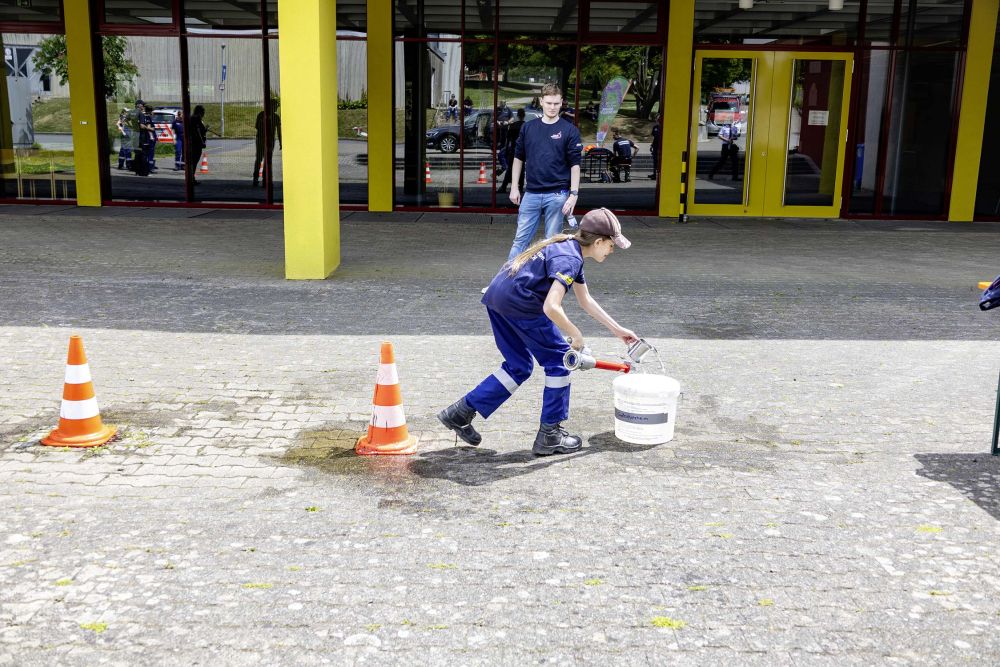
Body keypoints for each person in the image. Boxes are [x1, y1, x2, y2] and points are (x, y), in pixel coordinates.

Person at [438, 208, 637, 456]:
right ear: (598, 241)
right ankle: (550, 435)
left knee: (518, 366)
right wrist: (577, 336)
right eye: (611, 245)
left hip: (499, 299)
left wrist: (618, 330)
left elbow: (585, 300)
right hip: (522, 306)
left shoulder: (568, 245)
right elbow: (551, 306)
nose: (611, 250)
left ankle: (460, 413)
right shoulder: (571, 258)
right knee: (561, 363)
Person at [507, 83, 582, 262]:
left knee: (552, 242)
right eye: (548, 103)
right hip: (531, 193)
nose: (552, 107)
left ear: (562, 102)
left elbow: (575, 165)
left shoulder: (569, 130)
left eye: (556, 103)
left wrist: (574, 195)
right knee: (520, 241)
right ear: (541, 101)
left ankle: (549, 286)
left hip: (557, 195)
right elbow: (518, 158)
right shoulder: (528, 128)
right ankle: (506, 283)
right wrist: (514, 187)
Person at [253, 99, 282, 187]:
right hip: (270, 140)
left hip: (260, 139)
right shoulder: (276, 117)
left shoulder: (261, 114)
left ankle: (255, 179)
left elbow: (257, 127)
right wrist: (281, 142)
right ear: (272, 106)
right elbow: (279, 131)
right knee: (267, 160)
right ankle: (265, 180)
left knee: (258, 159)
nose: (277, 107)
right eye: (276, 106)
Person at [497, 108, 526, 194]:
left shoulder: (513, 125)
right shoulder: (526, 126)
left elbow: (508, 139)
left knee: (510, 169)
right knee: (522, 169)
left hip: (514, 149)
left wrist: (506, 150)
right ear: (524, 115)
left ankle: (504, 186)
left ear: (517, 115)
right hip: (523, 150)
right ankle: (520, 187)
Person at [186, 104, 208, 185]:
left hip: (193, 143)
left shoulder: (192, 118)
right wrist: (202, 141)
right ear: (200, 112)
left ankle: (191, 178)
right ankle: (191, 179)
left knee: (193, 162)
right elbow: (198, 131)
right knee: (194, 162)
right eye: (203, 111)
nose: (204, 113)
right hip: (196, 143)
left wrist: (204, 130)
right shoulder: (197, 118)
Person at [143, 104, 158, 172]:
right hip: (150, 138)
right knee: (150, 153)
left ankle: (149, 166)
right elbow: (148, 128)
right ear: (150, 111)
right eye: (153, 111)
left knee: (147, 153)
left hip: (147, 138)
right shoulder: (148, 118)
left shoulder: (145, 116)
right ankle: (150, 167)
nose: (153, 112)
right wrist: (153, 129)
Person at [648, 112, 661, 180]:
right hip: (655, 147)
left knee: (660, 161)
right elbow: (655, 138)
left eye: (658, 118)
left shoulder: (665, 127)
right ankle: (654, 174)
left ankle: (660, 174)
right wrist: (652, 145)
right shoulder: (655, 127)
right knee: (655, 161)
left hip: (662, 147)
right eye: (657, 118)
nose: (657, 119)